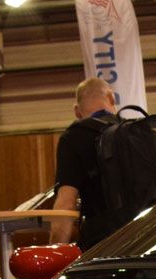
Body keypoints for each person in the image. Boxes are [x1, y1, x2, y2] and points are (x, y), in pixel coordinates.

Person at [50, 78, 117, 248]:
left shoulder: (74, 138)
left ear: (77, 111)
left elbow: (66, 203)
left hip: (102, 246)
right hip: (146, 242)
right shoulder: (134, 131)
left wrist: (54, 250)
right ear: (111, 98)